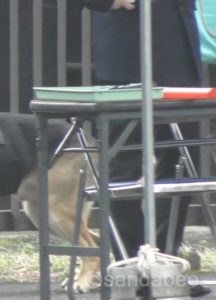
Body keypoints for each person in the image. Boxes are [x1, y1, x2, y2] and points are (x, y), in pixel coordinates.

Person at [78, 0, 211, 296]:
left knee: (179, 163)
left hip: (179, 52)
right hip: (127, 53)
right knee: (124, 162)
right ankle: (131, 267)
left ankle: (165, 267)